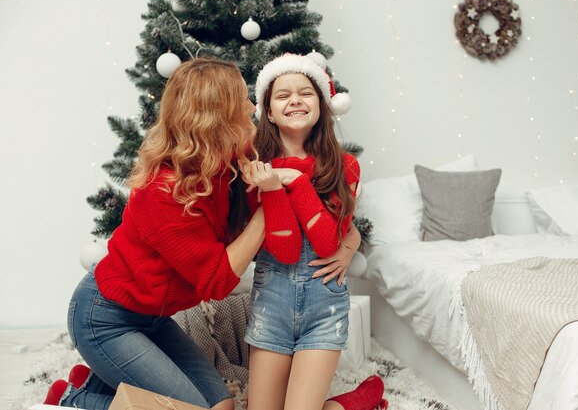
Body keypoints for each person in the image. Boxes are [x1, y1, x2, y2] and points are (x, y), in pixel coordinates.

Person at [42, 58, 266, 410]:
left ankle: (95, 384)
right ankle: (75, 399)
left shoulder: (225, 164)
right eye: (241, 99)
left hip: (153, 319)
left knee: (222, 406)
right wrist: (268, 213)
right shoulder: (162, 192)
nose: (251, 107)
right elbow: (215, 281)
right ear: (216, 116)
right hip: (105, 319)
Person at [241, 53, 388, 410]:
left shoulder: (345, 166)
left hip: (324, 306)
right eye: (282, 95)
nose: (295, 100)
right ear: (269, 113)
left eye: (305, 92)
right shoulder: (254, 169)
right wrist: (273, 187)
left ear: (322, 105)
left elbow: (326, 243)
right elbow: (287, 251)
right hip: (271, 304)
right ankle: (346, 404)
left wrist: (293, 180)